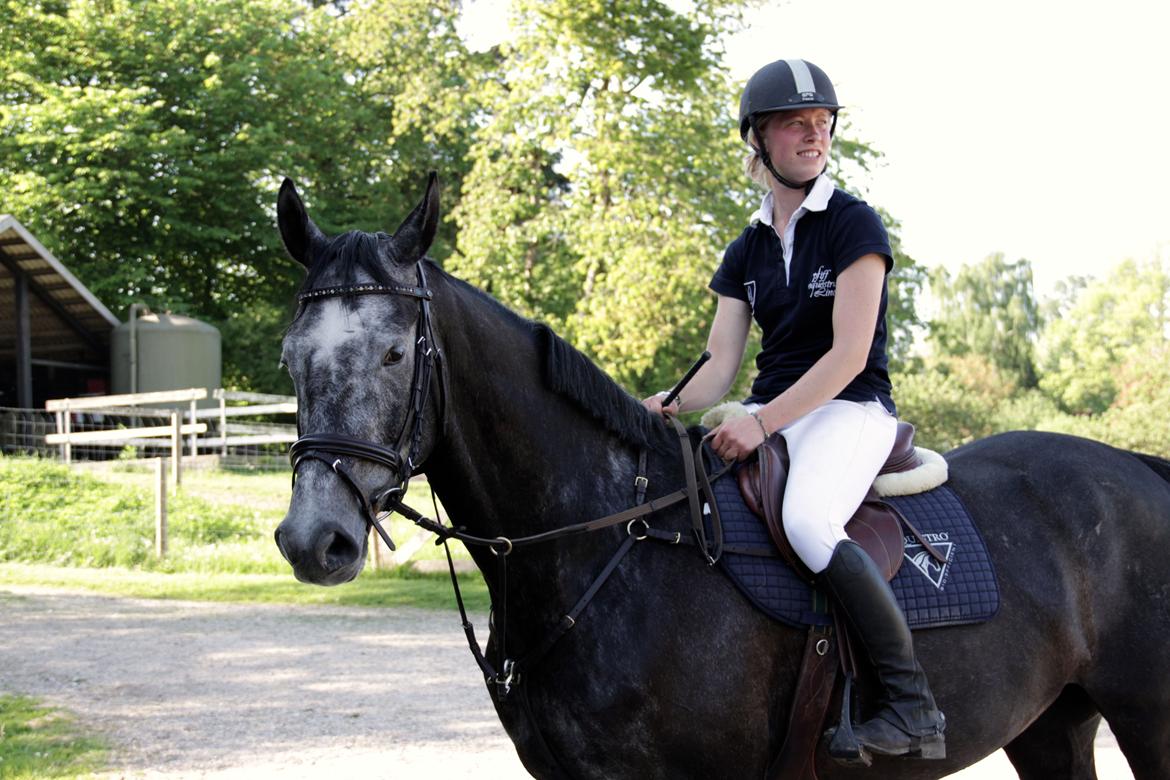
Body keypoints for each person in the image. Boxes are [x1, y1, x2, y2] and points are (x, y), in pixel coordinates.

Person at [642, 59, 946, 761]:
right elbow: (719, 365)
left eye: (823, 124)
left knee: (808, 518)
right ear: (758, 139)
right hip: (775, 406)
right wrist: (666, 404)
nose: (814, 135)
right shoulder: (745, 248)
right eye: (795, 124)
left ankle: (911, 705)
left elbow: (847, 355)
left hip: (850, 406)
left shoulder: (852, 224)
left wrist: (761, 422)